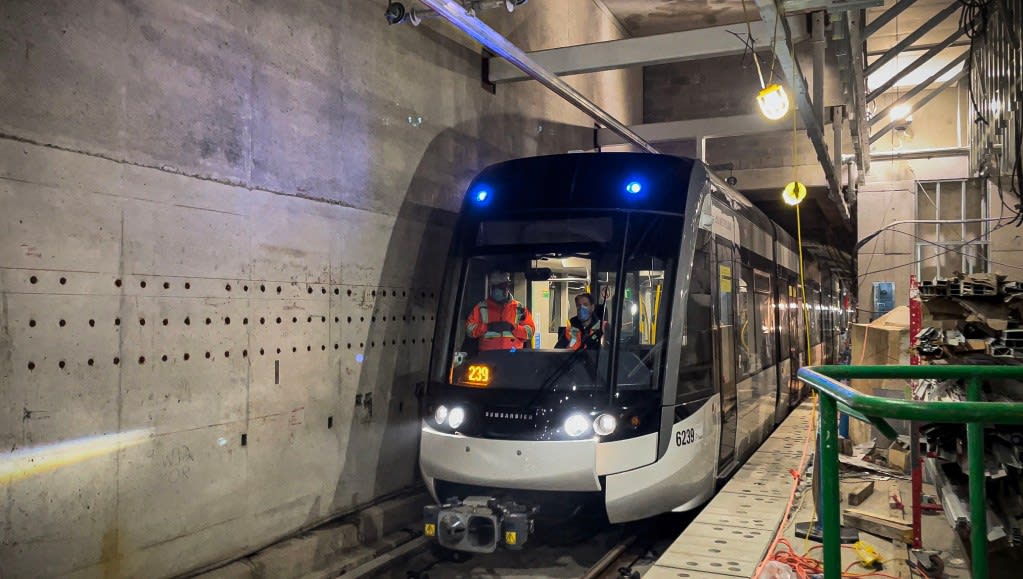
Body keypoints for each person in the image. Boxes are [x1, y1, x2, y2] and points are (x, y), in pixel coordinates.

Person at [465, 271, 536, 351]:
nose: (501, 290)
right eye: (497, 287)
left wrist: (513, 328)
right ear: (491, 288)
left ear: (507, 287)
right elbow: (469, 330)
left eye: (503, 286)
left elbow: (530, 332)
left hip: (513, 354)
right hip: (487, 356)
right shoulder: (481, 307)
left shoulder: (519, 308)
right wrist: (487, 327)